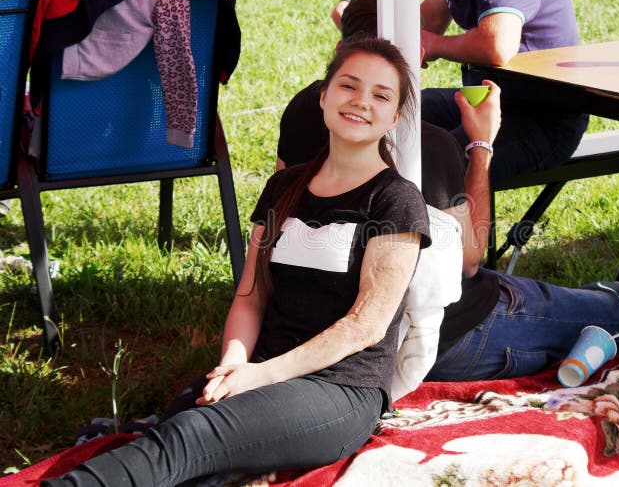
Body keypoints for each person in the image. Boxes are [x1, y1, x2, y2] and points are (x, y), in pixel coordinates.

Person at [42, 38, 432, 485]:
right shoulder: (284, 186)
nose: (362, 101)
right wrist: (232, 363)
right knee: (186, 439)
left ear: (394, 116)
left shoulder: (396, 201)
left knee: (190, 436)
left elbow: (365, 326)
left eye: (381, 95)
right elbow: (251, 295)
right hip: (258, 367)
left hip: (338, 389)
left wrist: (260, 375)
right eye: (349, 86)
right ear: (324, 95)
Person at [277, 0, 619, 393]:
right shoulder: (423, 143)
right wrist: (481, 144)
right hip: (446, 335)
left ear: (340, 46)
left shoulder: (302, 109)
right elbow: (469, 259)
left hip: (327, 323)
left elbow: (281, 212)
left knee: (572, 300)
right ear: (411, 55)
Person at [419, 0, 590, 181]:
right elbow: (428, 20)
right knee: (406, 113)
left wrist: (435, 44)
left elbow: (496, 46)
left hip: (541, 119)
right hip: (493, 102)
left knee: (440, 162)